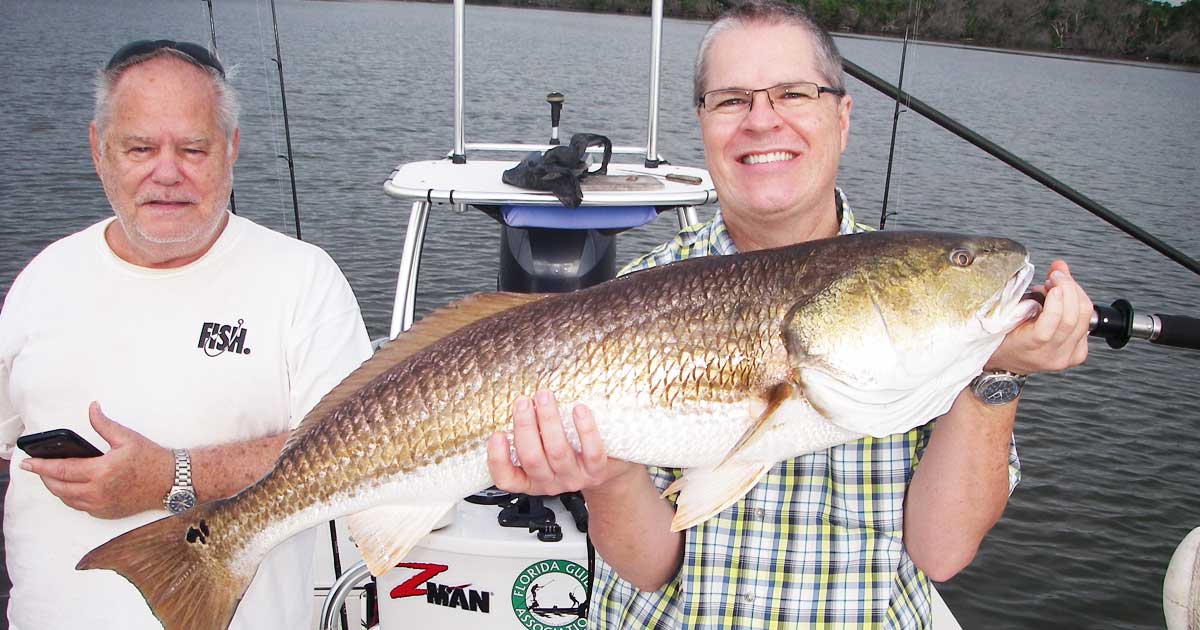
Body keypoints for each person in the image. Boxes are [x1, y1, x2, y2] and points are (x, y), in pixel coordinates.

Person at [486, 2, 1093, 628]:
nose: (761, 121)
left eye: (793, 93)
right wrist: (605, 479)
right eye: (730, 101)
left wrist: (996, 375)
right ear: (702, 124)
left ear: (843, 115)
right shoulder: (636, 297)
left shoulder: (922, 313)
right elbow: (648, 568)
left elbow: (942, 552)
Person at [0, 40, 371, 629]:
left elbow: (359, 451)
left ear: (231, 150)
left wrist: (172, 476)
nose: (166, 172)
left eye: (193, 149)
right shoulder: (41, 278)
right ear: (99, 150)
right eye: (139, 147)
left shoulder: (304, 280)